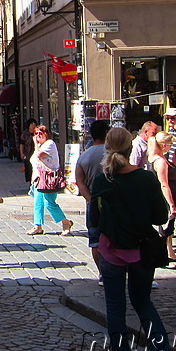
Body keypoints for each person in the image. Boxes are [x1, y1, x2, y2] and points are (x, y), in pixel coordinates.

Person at [90, 127, 170, 351]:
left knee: (115, 305)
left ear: (107, 148)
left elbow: (94, 219)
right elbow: (160, 217)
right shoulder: (146, 178)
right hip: (141, 248)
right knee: (143, 301)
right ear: (131, 147)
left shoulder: (101, 180)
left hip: (111, 249)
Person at [75, 119, 109, 284]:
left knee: (95, 240)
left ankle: (102, 273)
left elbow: (79, 181)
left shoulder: (84, 156)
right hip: (113, 201)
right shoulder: (112, 154)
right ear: (106, 134)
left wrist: (90, 199)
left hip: (93, 202)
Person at [26, 125, 73, 236]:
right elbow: (35, 164)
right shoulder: (41, 145)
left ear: (46, 133)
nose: (38, 135)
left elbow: (39, 155)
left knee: (49, 203)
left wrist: (35, 144)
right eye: (36, 133)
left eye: (40, 133)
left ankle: (66, 223)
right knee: (38, 203)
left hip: (49, 179)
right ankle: (37, 226)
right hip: (39, 180)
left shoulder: (49, 144)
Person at [147, 132, 176, 264]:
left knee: (168, 228)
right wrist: (171, 204)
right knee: (165, 228)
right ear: (163, 145)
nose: (171, 147)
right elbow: (164, 184)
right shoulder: (160, 161)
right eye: (170, 144)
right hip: (166, 198)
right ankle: (163, 257)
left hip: (167, 196)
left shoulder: (155, 158)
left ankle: (169, 252)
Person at [19, 119, 37, 185]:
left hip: (36, 154)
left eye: (34, 124)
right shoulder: (25, 134)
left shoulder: (37, 133)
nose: (33, 126)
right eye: (31, 124)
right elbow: (21, 144)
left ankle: (35, 183)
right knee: (28, 170)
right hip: (28, 154)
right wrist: (21, 153)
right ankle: (30, 184)